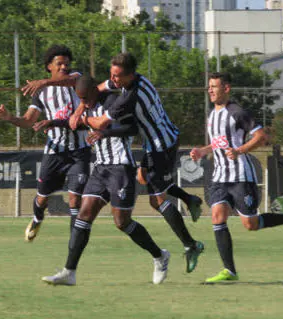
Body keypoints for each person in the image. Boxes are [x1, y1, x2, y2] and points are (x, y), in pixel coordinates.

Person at [70, 52, 204, 274]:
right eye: (111, 74)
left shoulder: (130, 96)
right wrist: (81, 106)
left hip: (161, 145)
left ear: (129, 76)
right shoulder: (137, 79)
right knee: (145, 178)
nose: (113, 80)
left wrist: (81, 119)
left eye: (117, 77)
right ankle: (190, 199)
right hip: (158, 141)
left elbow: (101, 122)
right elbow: (101, 86)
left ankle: (191, 245)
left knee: (157, 199)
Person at [42, 75, 170, 286]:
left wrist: (105, 132)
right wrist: (54, 122)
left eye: (86, 98)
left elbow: (132, 128)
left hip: (121, 167)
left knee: (122, 222)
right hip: (101, 168)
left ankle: (159, 256)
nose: (84, 103)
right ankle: (69, 271)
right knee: (84, 215)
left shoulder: (113, 103)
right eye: (80, 99)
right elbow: (81, 124)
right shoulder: (86, 105)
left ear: (95, 90)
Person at [190, 72, 283, 283]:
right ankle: (229, 271)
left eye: (214, 86)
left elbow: (261, 136)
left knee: (250, 224)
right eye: (208, 86)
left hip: (240, 176)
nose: (210, 90)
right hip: (219, 176)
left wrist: (240, 150)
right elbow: (220, 142)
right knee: (217, 217)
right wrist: (202, 151)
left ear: (226, 89)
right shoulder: (212, 115)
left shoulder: (237, 112)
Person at [0, 45, 89, 242]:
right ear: (49, 66)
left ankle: (75, 242)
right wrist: (9, 117)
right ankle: (37, 218)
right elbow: (29, 121)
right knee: (42, 198)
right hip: (55, 151)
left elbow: (71, 79)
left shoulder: (76, 79)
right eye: (59, 64)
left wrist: (43, 81)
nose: (64, 67)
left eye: (66, 63)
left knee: (75, 199)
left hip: (79, 150)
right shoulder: (42, 93)